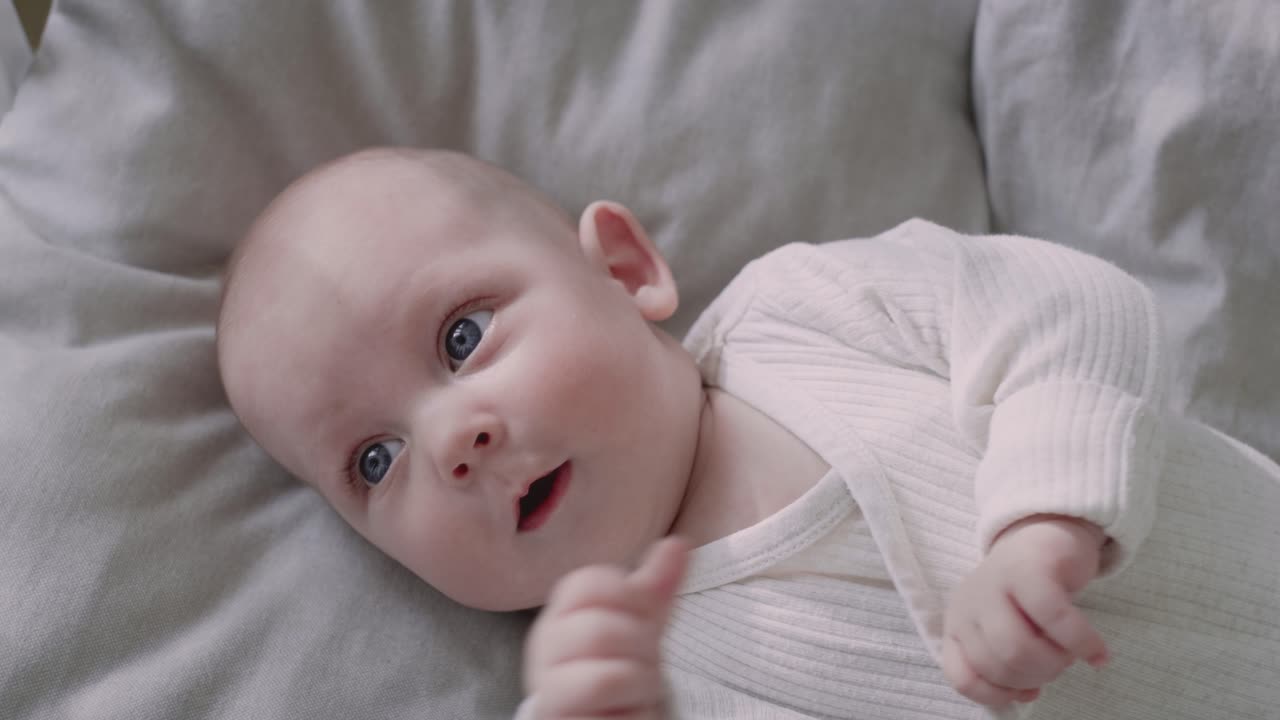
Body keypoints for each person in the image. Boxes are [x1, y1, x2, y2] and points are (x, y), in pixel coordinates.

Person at [215, 148, 1280, 720]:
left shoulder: (801, 309)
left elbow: (1062, 305)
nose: (451, 441)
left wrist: (1044, 520)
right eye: (373, 461)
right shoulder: (627, 681)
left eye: (462, 336)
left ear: (624, 273)